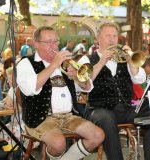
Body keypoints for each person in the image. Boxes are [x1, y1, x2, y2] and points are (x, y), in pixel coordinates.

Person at [16, 26, 104, 160]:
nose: (54, 45)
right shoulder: (26, 63)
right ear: (36, 44)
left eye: (56, 41)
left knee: (98, 135)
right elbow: (30, 89)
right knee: (58, 143)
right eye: (48, 42)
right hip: (41, 117)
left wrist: (76, 77)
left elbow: (87, 87)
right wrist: (53, 65)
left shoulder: (66, 63)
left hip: (69, 116)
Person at [85, 22, 150, 160]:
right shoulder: (86, 59)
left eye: (114, 36)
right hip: (98, 109)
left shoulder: (123, 57)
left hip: (125, 108)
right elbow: (84, 85)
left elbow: (140, 80)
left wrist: (131, 62)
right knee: (107, 119)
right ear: (98, 39)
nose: (112, 39)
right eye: (107, 36)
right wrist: (101, 62)